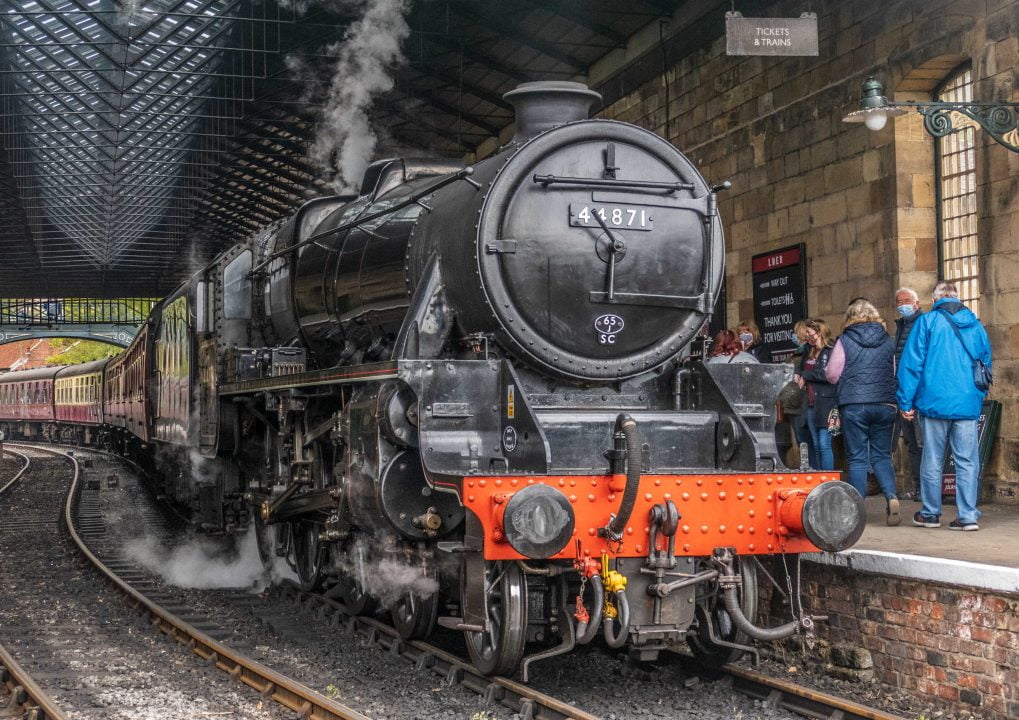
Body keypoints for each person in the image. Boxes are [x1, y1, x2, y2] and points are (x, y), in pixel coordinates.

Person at [897, 281, 991, 531]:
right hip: (967, 403)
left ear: (935, 298)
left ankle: (930, 514)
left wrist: (905, 401)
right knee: (968, 461)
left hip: (934, 402)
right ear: (958, 298)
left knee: (932, 459)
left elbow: (911, 364)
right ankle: (968, 516)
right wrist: (976, 397)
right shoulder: (976, 325)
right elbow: (985, 365)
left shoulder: (926, 323)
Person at [824, 299, 900, 525]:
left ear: (850, 317)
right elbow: (893, 370)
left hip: (855, 404)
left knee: (857, 457)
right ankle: (892, 497)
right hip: (886, 403)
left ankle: (857, 508)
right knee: (881, 455)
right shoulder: (888, 340)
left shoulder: (845, 341)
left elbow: (832, 374)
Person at [892, 287, 924, 498]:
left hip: (919, 393)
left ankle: (928, 489)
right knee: (912, 443)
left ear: (917, 303)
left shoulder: (923, 323)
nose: (903, 304)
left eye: (907, 300)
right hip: (903, 391)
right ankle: (918, 487)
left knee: (922, 443)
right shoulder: (901, 326)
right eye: (899, 301)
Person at [794, 319, 835, 471]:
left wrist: (805, 375)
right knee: (816, 444)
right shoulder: (808, 350)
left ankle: (828, 477)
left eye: (810, 334)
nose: (808, 337)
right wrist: (798, 373)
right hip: (811, 403)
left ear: (820, 332)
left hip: (827, 403)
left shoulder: (831, 350)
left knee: (825, 444)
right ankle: (820, 476)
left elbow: (828, 375)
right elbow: (801, 366)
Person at [779, 321, 813, 465]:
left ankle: (811, 468)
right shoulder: (799, 353)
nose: (793, 336)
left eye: (795, 332)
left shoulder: (805, 353)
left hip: (800, 404)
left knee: (806, 442)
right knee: (803, 441)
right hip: (795, 405)